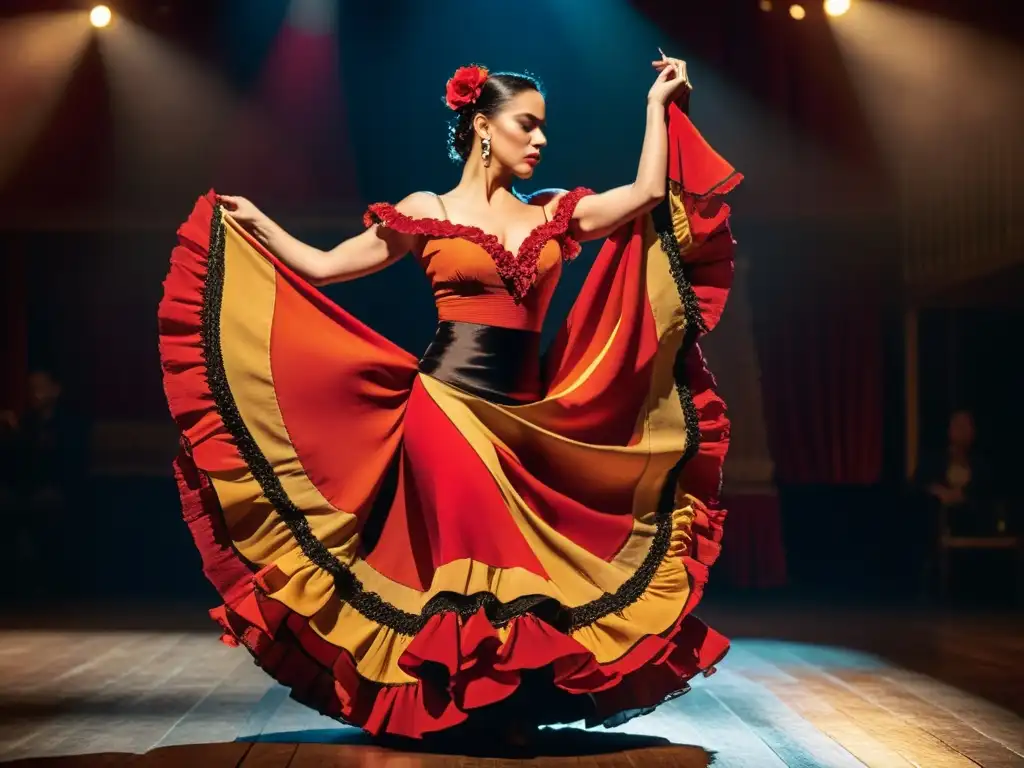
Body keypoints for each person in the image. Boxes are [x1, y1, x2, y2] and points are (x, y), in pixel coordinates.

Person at [158, 56, 741, 743]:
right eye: (529, 124)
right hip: (445, 409)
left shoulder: (556, 213)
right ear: (484, 127)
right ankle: (454, 705)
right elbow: (322, 266)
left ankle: (498, 703)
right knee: (471, 556)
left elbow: (647, 193)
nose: (542, 139)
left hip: (527, 420)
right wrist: (261, 226)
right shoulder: (425, 212)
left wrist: (657, 106)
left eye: (545, 128)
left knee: (523, 564)